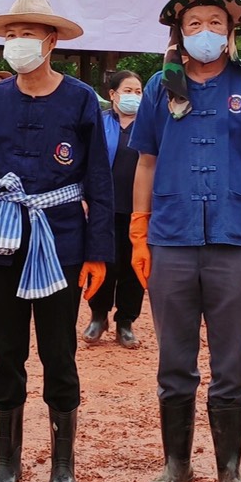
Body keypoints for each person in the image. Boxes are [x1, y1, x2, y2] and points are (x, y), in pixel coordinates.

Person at [130, 0, 241, 482]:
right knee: (174, 358)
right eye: (193, 23)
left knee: (230, 362)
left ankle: (230, 467)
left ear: (231, 31)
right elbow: (146, 162)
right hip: (170, 237)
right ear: (179, 31)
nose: (204, 32)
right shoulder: (159, 86)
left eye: (215, 22)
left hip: (235, 236)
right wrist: (138, 230)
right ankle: (176, 463)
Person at [0, 0, 111, 482]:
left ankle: (62, 466)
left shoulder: (82, 100)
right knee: (7, 353)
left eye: (27, 35)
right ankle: (7, 464)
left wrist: (97, 252)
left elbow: (98, 179)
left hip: (61, 239)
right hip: (1, 239)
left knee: (59, 352)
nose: (17, 44)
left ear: (50, 42)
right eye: (11, 35)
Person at [85, 69, 146, 348]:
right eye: (128, 90)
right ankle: (98, 316)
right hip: (103, 208)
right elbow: (85, 162)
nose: (133, 96)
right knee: (103, 262)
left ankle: (126, 322)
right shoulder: (99, 123)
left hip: (138, 210)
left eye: (138, 91)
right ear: (112, 94)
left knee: (134, 267)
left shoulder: (149, 126)